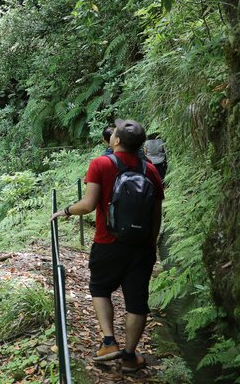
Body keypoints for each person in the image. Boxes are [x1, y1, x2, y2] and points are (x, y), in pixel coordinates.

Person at [51, 118, 164, 373]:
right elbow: (156, 213)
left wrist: (66, 211)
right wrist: (151, 245)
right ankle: (129, 357)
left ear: (117, 141)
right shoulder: (151, 171)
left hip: (107, 242)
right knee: (137, 301)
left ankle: (109, 342)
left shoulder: (101, 164)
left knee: (100, 288)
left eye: (115, 133)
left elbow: (88, 204)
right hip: (141, 246)